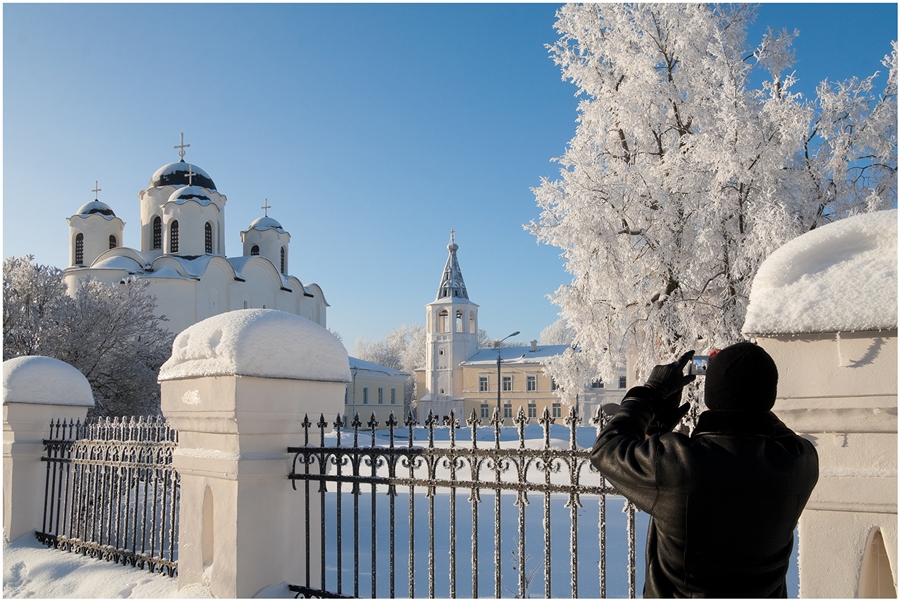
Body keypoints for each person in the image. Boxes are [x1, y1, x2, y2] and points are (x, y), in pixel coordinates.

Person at [591, 342, 818, 598]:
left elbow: (606, 449)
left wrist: (649, 394)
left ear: (712, 395)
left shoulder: (678, 464)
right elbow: (765, 422)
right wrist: (737, 378)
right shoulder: (800, 463)